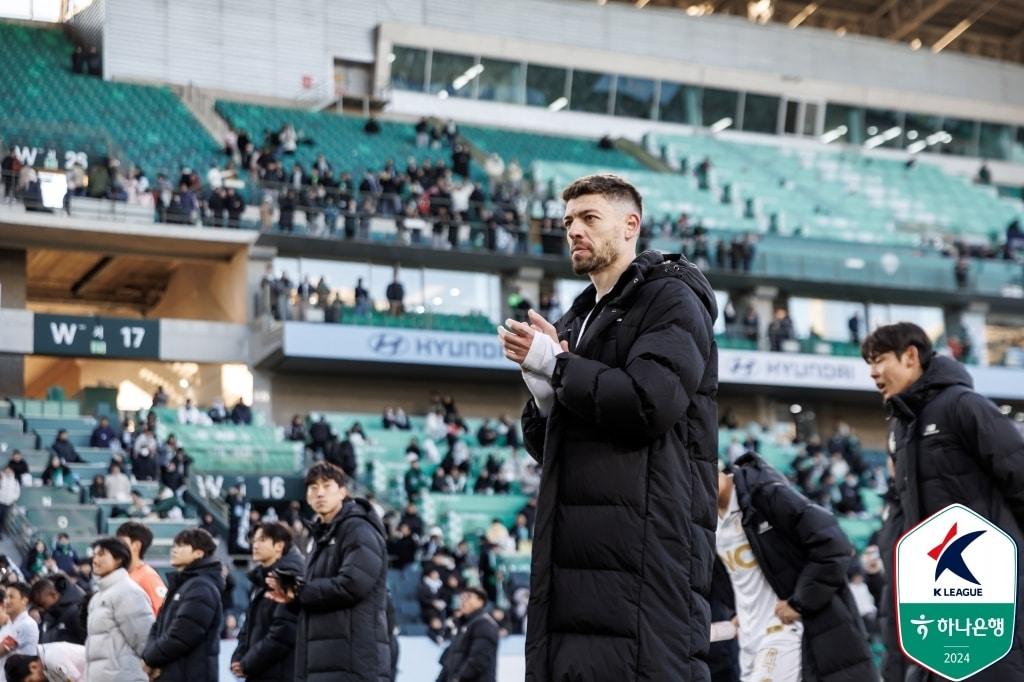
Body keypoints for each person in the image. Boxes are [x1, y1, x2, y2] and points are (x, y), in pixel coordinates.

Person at [498, 174, 718, 679]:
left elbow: (648, 403)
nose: (574, 230)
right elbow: (546, 446)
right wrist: (544, 394)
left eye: (589, 218)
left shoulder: (671, 299)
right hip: (579, 552)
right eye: (568, 221)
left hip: (643, 549)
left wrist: (558, 367)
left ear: (629, 226)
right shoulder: (577, 319)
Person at [862, 322, 1024, 680]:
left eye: (879, 360)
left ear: (910, 356)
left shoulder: (963, 406)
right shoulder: (900, 428)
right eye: (868, 364)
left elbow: (1019, 473)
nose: (873, 372)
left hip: (985, 582)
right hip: (933, 585)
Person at [717, 455, 874, 681]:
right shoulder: (705, 522)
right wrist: (735, 611)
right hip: (749, 639)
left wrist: (800, 602)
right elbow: (725, 574)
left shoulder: (764, 494)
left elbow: (834, 544)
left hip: (784, 628)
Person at [264, 463, 390, 681]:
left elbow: (353, 585)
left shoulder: (358, 529)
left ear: (342, 491)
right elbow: (320, 594)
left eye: (326, 486)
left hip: (353, 662)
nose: (319, 492)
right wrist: (293, 597)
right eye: (313, 487)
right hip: (325, 660)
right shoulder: (321, 535)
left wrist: (300, 590)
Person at [141, 529, 223, 682]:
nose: (174, 550)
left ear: (198, 553)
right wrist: (149, 658)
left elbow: (181, 636)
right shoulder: (182, 585)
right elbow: (157, 627)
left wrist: (149, 660)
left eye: (181, 546)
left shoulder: (202, 587)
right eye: (174, 545)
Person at [230, 522, 301, 682]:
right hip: (260, 671)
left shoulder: (289, 577)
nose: (255, 545)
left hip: (281, 673)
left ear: (279, 546)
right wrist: (238, 656)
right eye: (254, 540)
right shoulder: (261, 579)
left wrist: (247, 663)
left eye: (262, 540)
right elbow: (248, 627)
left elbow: (283, 632)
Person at [85, 537, 155, 681]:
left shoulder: (128, 591)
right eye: (94, 554)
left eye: (101, 554)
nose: (95, 559)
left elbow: (144, 639)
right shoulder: (97, 597)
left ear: (119, 559)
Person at [436, 587, 499, 682]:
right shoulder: (461, 626)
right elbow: (449, 661)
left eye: (468, 597)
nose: (463, 601)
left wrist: (458, 679)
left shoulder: (485, 625)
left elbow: (478, 661)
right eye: (462, 598)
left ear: (480, 601)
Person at [116, 522, 167, 615]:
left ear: (136, 546)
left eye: (121, 542)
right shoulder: (121, 574)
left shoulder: (148, 577)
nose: (117, 547)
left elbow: (163, 614)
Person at [29, 576, 86, 645]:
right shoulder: (50, 614)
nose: (40, 609)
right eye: (36, 606)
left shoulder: (76, 611)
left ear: (53, 595)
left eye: (41, 604)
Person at [1, 583, 39, 663]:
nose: (6, 601)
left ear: (24, 601)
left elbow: (2, 649)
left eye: (11, 597)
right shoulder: (8, 625)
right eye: (6, 597)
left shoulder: (26, 624)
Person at [0, 466, 20, 536]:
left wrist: (13, 499)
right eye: (7, 471)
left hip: (9, 504)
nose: (8, 473)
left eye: (10, 471)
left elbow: (17, 492)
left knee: (4, 519)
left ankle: (1, 533)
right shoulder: (1, 479)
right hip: (1, 502)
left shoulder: (15, 482)